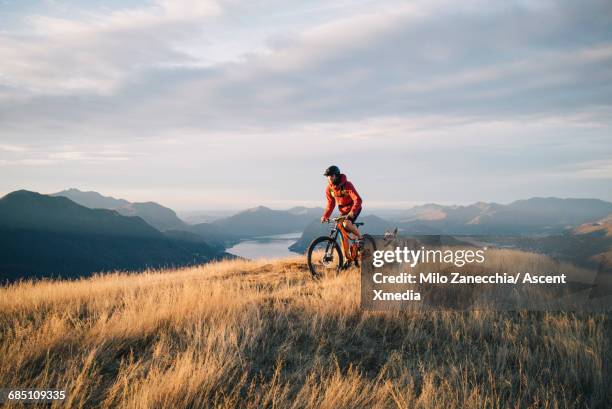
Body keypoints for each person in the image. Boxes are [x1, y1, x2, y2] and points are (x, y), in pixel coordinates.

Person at [321, 165, 363, 241]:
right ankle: (346, 252)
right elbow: (331, 204)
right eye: (327, 176)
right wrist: (325, 216)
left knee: (346, 224)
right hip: (343, 211)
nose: (329, 177)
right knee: (341, 233)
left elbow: (358, 200)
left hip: (354, 208)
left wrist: (352, 212)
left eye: (331, 175)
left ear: (337, 175)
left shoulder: (347, 185)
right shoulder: (329, 189)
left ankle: (360, 237)